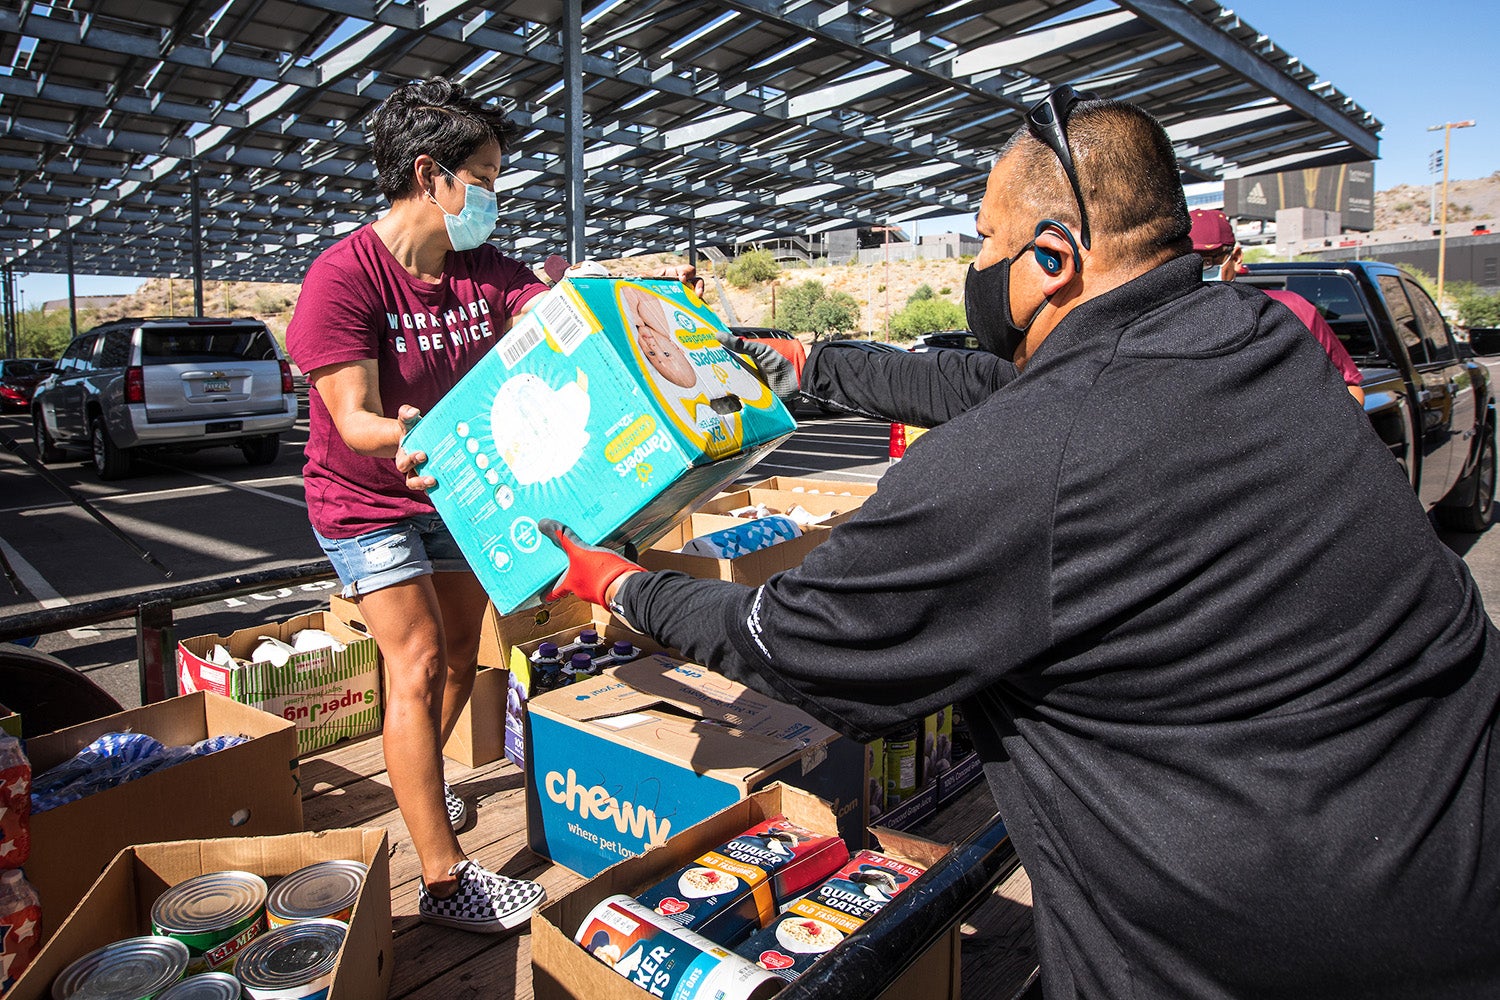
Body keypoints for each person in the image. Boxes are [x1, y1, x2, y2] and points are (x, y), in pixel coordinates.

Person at [541, 88, 1500, 996]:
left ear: (1053, 256)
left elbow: (798, 639)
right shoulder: (1250, 337)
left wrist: (622, 585)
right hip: (1451, 842)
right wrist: (815, 362)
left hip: (1265, 944)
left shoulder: (1033, 462)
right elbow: (1017, 395)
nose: (977, 267)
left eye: (988, 241)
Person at [285, 77, 550, 934]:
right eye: (486, 174)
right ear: (430, 175)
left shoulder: (480, 270)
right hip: (367, 498)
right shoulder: (343, 276)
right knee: (421, 661)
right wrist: (398, 427)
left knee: (465, 656)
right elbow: (353, 419)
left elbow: (542, 309)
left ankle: (421, 792)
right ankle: (444, 880)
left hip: (456, 488)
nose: (495, 195)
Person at [1191, 207, 1366, 404]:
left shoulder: (1290, 308)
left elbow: (1349, 388)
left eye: (1205, 262)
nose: (1195, 271)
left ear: (1237, 257)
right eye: (1187, 262)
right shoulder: (1164, 322)